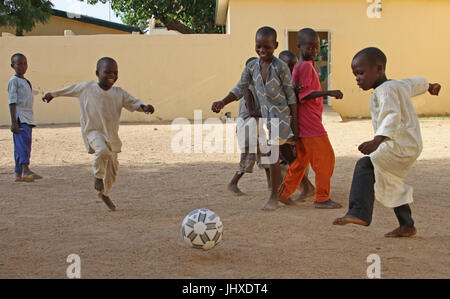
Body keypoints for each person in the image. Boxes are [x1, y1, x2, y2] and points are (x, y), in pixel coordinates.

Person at [333, 47, 441, 237]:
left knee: (365, 165)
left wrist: (377, 140)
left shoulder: (385, 91)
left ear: (379, 68)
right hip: (410, 143)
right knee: (390, 180)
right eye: (355, 74)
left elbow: (392, 115)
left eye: (361, 72)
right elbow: (414, 84)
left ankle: (359, 212)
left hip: (398, 144)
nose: (357, 78)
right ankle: (407, 225)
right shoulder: (397, 85)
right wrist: (430, 86)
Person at [42, 57, 155, 211]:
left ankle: (105, 193)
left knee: (113, 168)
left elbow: (134, 103)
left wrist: (145, 108)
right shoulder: (86, 88)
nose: (111, 76)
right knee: (102, 151)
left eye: (115, 73)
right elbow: (68, 90)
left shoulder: (119, 93)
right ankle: (97, 177)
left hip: (111, 135)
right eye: (107, 72)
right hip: (92, 131)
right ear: (97, 73)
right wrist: (52, 94)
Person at [212, 26, 298, 211]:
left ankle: (274, 197)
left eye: (267, 47)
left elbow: (291, 97)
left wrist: (295, 124)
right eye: (258, 46)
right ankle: (306, 186)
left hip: (281, 118)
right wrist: (223, 102)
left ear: (275, 45)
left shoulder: (280, 67)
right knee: (288, 156)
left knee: (274, 155)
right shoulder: (252, 67)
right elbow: (239, 88)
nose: (262, 51)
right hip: (267, 118)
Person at [278, 28, 343, 209]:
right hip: (310, 124)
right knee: (325, 158)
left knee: (301, 161)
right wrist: (329, 92)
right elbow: (304, 95)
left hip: (304, 123)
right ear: (299, 47)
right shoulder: (305, 66)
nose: (314, 51)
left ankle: (283, 194)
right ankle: (322, 198)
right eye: (309, 47)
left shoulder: (301, 66)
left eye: (316, 47)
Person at [211, 57, 271, 196]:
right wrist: (271, 112)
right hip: (248, 127)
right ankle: (233, 183)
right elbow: (252, 112)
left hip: (256, 126)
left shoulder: (259, 87)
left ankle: (270, 185)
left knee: (266, 154)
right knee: (249, 156)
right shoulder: (247, 89)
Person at [278, 50, 315, 201]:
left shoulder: (296, 82)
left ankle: (306, 186)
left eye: (294, 66)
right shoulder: (278, 79)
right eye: (288, 67)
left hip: (293, 125)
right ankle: (303, 186)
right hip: (282, 123)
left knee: (292, 156)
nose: (292, 70)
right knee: (286, 156)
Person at [8, 53, 42, 182]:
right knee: (23, 145)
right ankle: (25, 169)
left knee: (22, 145)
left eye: (24, 63)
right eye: (19, 64)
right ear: (13, 66)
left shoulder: (26, 81)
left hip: (28, 118)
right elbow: (12, 102)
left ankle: (18, 174)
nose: (22, 66)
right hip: (20, 119)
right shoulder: (14, 81)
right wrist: (13, 122)